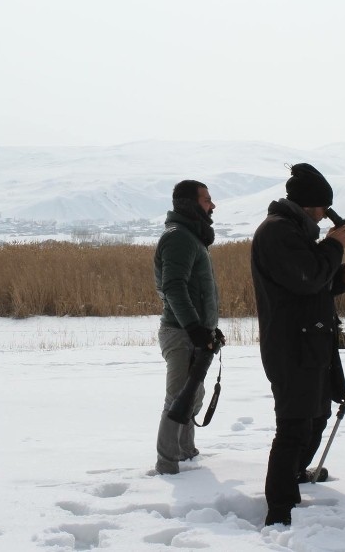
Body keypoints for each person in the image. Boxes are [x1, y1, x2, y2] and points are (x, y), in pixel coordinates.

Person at [250, 163, 345, 527]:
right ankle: (279, 509)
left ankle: (296, 475)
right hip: (291, 347)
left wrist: (343, 279)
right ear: (313, 206)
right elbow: (307, 277)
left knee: (317, 416)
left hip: (310, 342)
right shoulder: (277, 233)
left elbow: (314, 283)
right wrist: (334, 244)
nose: (325, 216)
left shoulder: (293, 232)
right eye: (324, 208)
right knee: (295, 425)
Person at [153, 180, 224, 476]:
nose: (212, 205)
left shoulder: (191, 237)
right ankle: (168, 464)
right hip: (180, 333)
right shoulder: (179, 237)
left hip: (194, 332)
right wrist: (194, 327)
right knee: (179, 398)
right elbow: (173, 287)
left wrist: (207, 329)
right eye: (206, 199)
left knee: (193, 394)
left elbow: (195, 291)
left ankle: (187, 453)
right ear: (189, 203)